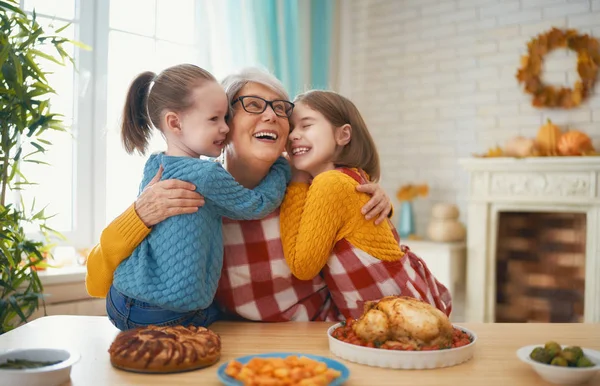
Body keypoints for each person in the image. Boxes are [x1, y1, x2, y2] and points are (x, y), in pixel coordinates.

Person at [85, 67, 394, 324]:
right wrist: (137, 216)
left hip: (309, 343)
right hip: (228, 343)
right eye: (254, 105)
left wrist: (376, 203)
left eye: (281, 108)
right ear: (224, 124)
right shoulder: (178, 190)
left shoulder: (310, 189)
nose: (272, 116)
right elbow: (99, 277)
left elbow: (372, 272)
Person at [105, 64, 291, 330]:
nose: (224, 128)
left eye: (225, 118)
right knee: (216, 321)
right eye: (215, 119)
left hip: (119, 299)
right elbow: (257, 205)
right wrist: (283, 168)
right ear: (174, 122)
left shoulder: (155, 163)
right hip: (164, 313)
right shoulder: (207, 175)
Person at [280, 90, 452, 319]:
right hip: (411, 307)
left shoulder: (329, 183)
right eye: (291, 128)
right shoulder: (352, 177)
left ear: (343, 135)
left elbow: (302, 267)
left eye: (306, 125)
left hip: (400, 319)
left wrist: (297, 180)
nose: (293, 135)